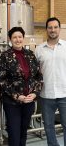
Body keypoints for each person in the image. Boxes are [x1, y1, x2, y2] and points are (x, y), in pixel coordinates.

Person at [0, 27, 43, 146]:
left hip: (29, 101)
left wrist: (35, 93)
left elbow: (38, 76)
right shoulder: (5, 56)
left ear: (23, 38)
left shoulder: (30, 55)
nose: (17, 39)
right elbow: (2, 81)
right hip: (12, 103)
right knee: (14, 133)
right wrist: (18, 96)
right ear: (10, 39)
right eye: (14, 37)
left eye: (20, 37)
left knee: (24, 132)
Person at [35, 17, 66, 146]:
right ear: (46, 29)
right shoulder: (39, 49)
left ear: (59, 29)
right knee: (48, 127)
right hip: (46, 95)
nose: (53, 30)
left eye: (55, 27)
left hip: (65, 93)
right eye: (50, 27)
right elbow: (35, 72)